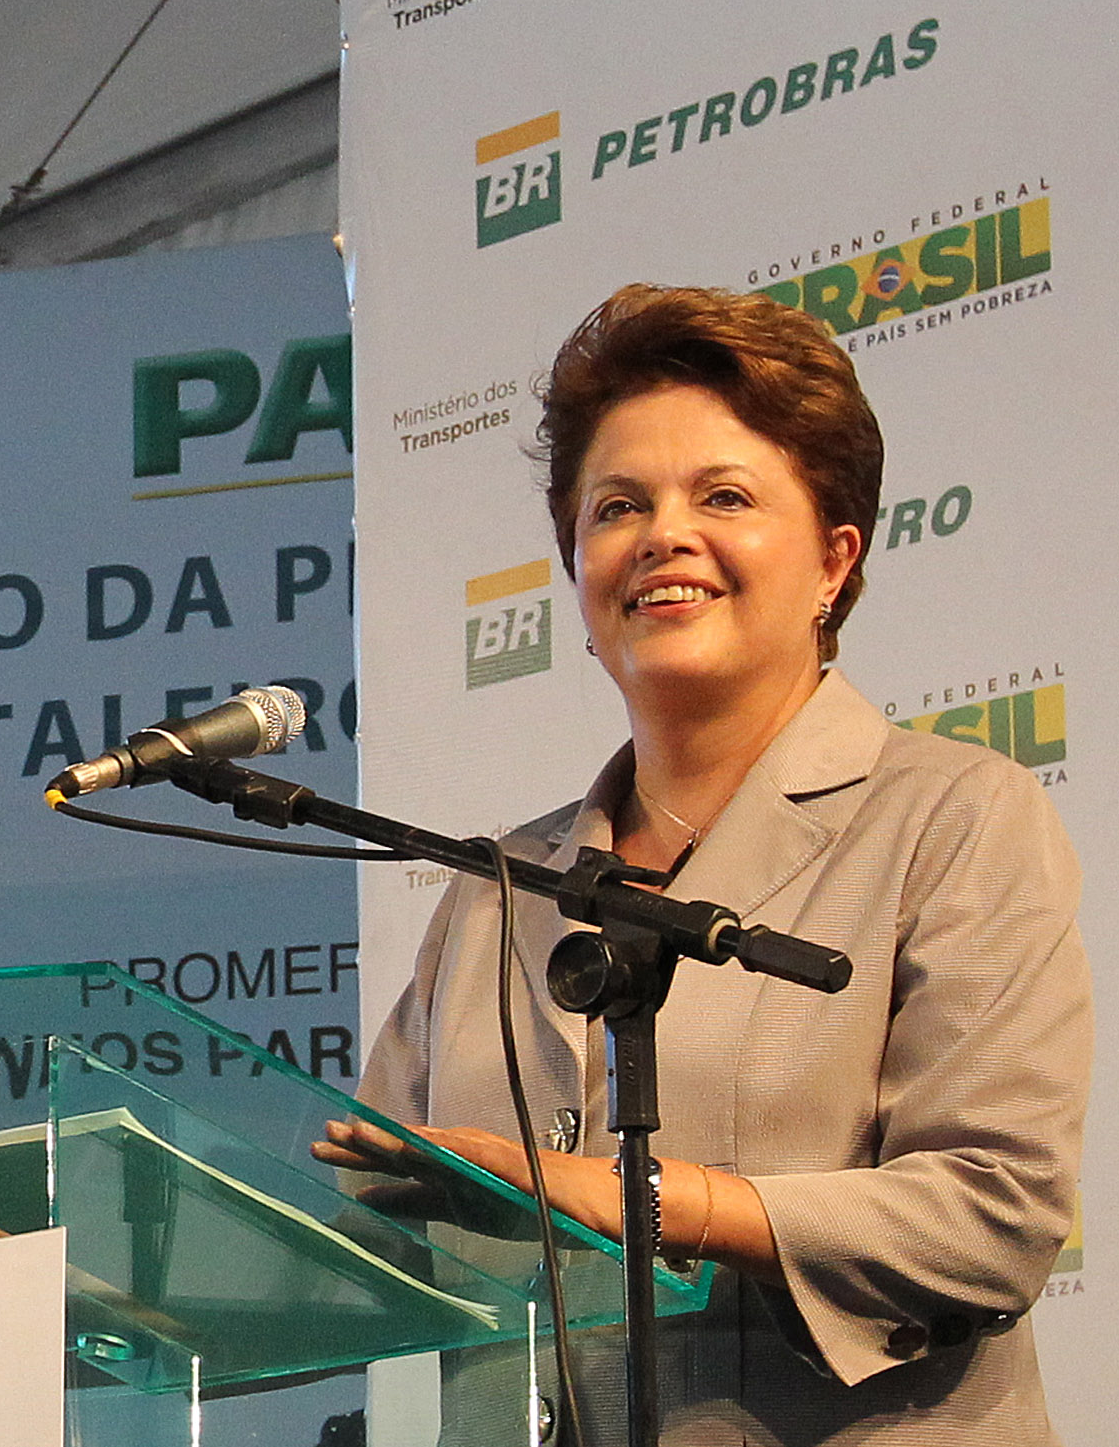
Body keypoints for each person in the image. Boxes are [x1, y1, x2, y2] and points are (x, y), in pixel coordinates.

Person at [317, 284, 1085, 1444]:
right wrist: (99, 1267)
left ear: (831, 562)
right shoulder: (495, 889)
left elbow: (994, 1214)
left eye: (721, 496)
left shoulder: (951, 816)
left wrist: (645, 1202)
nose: (659, 535)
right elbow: (369, 1242)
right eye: (616, 506)